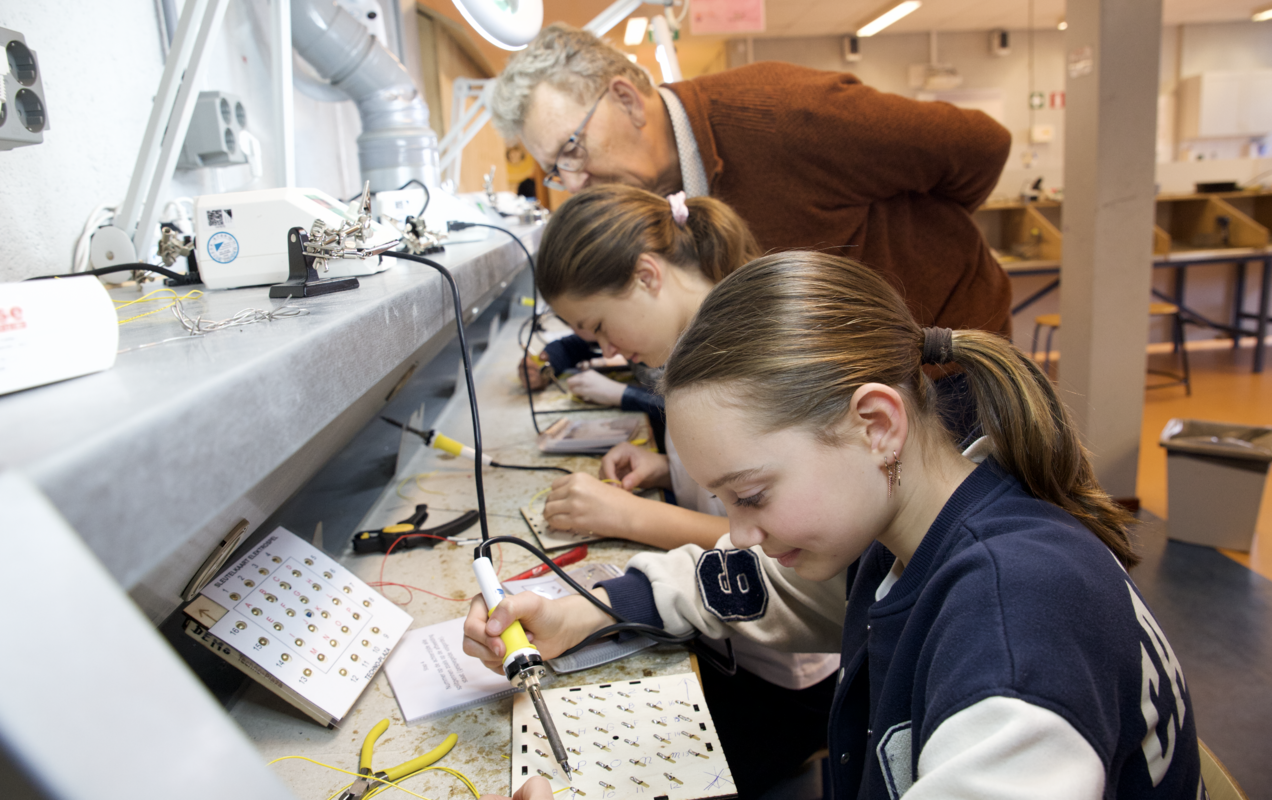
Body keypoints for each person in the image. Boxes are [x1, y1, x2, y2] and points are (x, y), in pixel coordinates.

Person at [467, 252, 1203, 798]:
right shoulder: (915, 526)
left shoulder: (1011, 626)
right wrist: (580, 612)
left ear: (876, 424)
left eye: (751, 494)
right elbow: (756, 585)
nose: (741, 529)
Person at [524, 184, 842, 798]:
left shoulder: (741, 363)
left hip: (786, 676)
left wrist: (634, 515)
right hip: (737, 635)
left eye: (599, 326)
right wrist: (666, 472)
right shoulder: (698, 349)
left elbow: (764, 539)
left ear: (647, 274)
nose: (609, 351)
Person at [490, 23, 1014, 337]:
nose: (577, 182)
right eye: (559, 169)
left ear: (626, 99)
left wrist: (932, 241)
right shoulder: (669, 196)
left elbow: (980, 146)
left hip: (948, 360)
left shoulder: (784, 113)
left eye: (573, 148)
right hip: (857, 381)